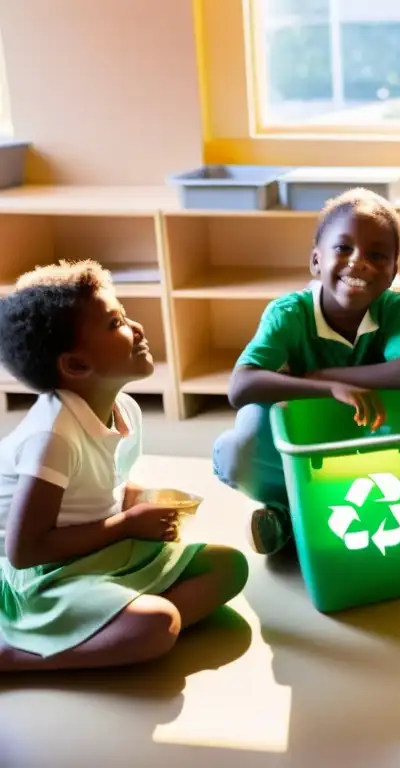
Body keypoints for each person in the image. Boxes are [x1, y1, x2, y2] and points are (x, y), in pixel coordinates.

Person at [0, 261, 248, 671]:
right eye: (116, 323)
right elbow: (24, 551)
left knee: (229, 567)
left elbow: (106, 486)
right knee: (160, 624)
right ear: (76, 366)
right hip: (45, 577)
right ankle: (18, 656)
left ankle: (113, 628)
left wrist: (140, 500)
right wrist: (130, 524)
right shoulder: (53, 438)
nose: (137, 327)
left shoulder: (122, 408)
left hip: (98, 553)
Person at [213, 188, 400, 557]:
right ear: (316, 261)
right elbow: (242, 385)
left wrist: (330, 377)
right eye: (343, 248)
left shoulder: (392, 307)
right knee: (245, 439)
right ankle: (285, 508)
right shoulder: (289, 313)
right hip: (304, 438)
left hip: (359, 434)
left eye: (377, 255)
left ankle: (290, 522)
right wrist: (327, 388)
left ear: (393, 271)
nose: (359, 262)